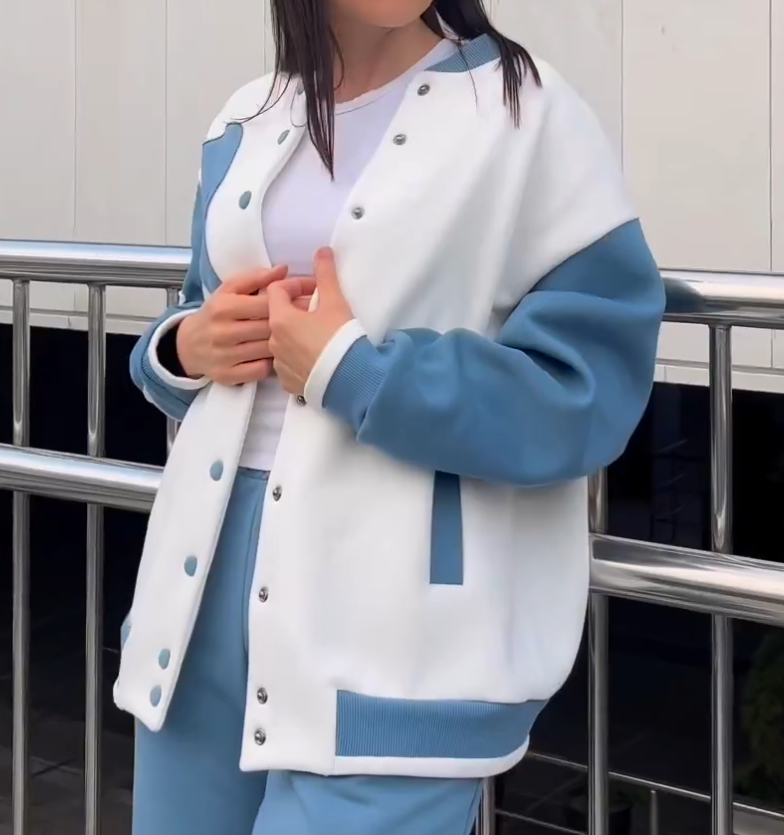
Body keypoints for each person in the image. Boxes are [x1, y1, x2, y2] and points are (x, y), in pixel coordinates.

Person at [117, 1, 666, 833]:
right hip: (194, 617)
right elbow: (200, 313)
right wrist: (184, 346)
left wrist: (357, 371)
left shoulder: (529, 114)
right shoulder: (244, 118)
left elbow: (588, 388)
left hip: (396, 639)